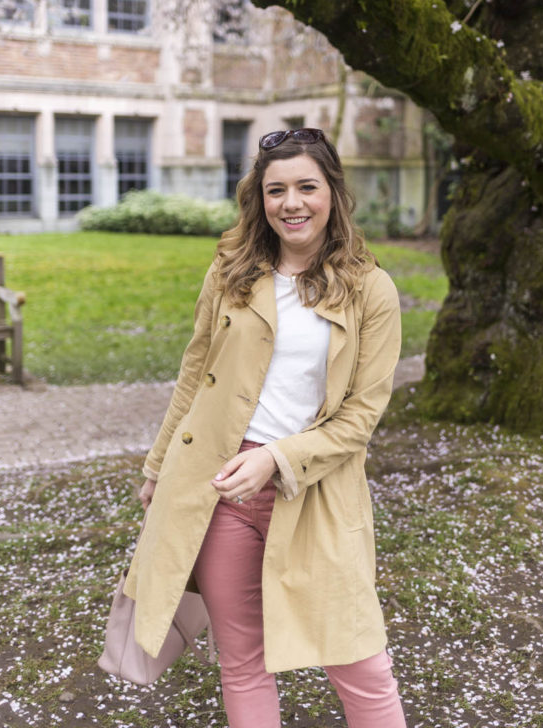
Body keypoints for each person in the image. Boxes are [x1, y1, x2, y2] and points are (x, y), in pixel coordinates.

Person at [123, 127, 407, 728]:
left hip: (316, 492)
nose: (291, 203)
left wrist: (276, 459)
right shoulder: (232, 272)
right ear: (260, 199)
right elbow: (195, 376)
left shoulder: (370, 290)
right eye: (276, 190)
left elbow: (361, 416)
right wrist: (157, 468)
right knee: (243, 661)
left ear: (333, 192)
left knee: (360, 662)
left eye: (307, 186)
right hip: (218, 487)